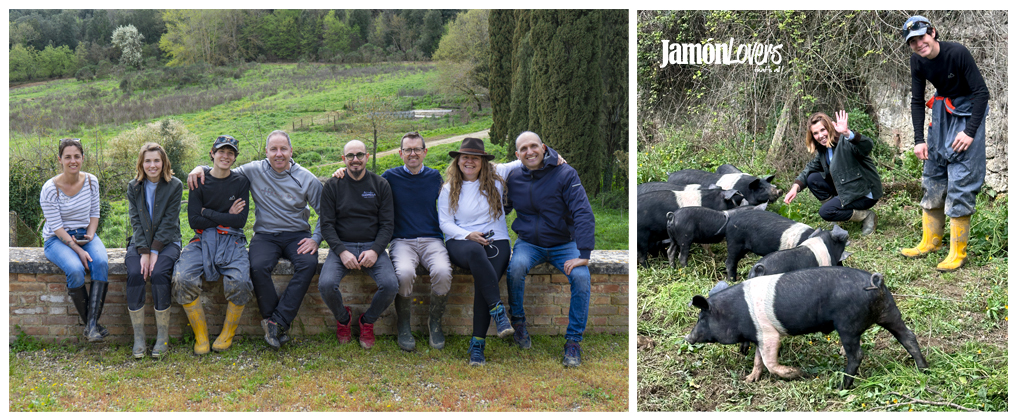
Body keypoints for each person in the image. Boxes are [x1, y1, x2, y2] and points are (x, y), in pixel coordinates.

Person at [188, 130, 323, 347]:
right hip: (265, 235)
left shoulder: (307, 178)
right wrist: (200, 168)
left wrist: (316, 238)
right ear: (266, 152)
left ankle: (277, 322)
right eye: (273, 149)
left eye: (283, 149)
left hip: (297, 234)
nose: (278, 154)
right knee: (257, 267)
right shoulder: (254, 169)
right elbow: (222, 168)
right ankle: (275, 324)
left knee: (308, 263)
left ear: (291, 151)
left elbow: (326, 212)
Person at [899, 15, 989, 272]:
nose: (918, 44)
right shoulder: (916, 60)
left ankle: (957, 253)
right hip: (942, 109)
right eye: (912, 41)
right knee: (933, 171)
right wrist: (918, 140)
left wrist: (970, 132)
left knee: (961, 177)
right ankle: (931, 242)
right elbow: (917, 100)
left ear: (933, 32)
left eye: (921, 37)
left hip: (969, 110)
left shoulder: (957, 52)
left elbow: (982, 93)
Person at [504, 131, 596, 367]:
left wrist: (584, 254)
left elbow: (582, 212)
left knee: (581, 277)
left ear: (544, 148)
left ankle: (573, 342)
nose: (529, 152)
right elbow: (500, 208)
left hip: (564, 244)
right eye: (523, 149)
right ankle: (519, 323)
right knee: (515, 269)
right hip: (528, 244)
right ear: (517, 155)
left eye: (534, 146)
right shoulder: (513, 178)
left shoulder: (565, 173)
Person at [438, 138, 516, 366]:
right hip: (460, 241)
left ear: (483, 161)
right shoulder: (448, 188)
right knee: (474, 251)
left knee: (486, 283)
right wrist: (467, 234)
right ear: (458, 161)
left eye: (475, 157)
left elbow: (524, 159)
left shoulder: (496, 178)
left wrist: (554, 156)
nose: (470, 161)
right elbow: (445, 223)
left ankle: (477, 345)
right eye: (465, 157)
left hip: (496, 239)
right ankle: (499, 311)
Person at [172, 135, 251, 355]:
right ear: (212, 153)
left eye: (231, 153)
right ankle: (201, 335)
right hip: (201, 239)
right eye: (221, 151)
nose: (225, 156)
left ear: (235, 158)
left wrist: (207, 212)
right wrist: (225, 214)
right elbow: (194, 221)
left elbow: (240, 221)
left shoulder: (241, 182)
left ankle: (227, 334)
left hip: (232, 239)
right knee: (182, 278)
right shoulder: (199, 180)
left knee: (241, 281)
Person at [318, 140, 396, 350]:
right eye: (350, 155)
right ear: (343, 159)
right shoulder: (333, 185)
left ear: (367, 157)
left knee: (390, 285)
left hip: (373, 246)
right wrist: (342, 252)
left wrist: (375, 250)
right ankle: (343, 319)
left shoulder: (380, 185)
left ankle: (367, 321)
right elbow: (326, 225)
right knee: (325, 285)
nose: (355, 159)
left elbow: (388, 224)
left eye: (359, 155)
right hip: (342, 246)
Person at [379, 132, 453, 351]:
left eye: (417, 149)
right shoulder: (389, 177)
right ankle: (403, 325)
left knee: (442, 272)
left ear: (425, 152)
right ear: (400, 153)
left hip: (432, 240)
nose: (413, 154)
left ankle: (435, 323)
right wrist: (342, 171)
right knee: (403, 274)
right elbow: (365, 185)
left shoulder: (435, 177)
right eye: (408, 150)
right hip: (402, 241)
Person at [40, 138, 109, 342]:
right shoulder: (50, 189)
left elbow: (95, 213)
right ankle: (92, 325)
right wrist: (79, 251)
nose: (73, 161)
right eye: (68, 157)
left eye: (76, 156)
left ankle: (91, 327)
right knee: (76, 269)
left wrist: (89, 235)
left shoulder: (91, 181)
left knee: (102, 263)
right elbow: (56, 226)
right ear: (60, 160)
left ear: (82, 158)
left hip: (85, 234)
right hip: (57, 239)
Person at [125, 143, 182, 359]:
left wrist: (155, 251)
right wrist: (143, 251)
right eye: (147, 161)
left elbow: (169, 223)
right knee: (135, 273)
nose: (152, 165)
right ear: (141, 163)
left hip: (168, 243)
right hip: (140, 243)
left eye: (156, 160)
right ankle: (139, 338)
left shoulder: (174, 185)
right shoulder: (134, 187)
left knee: (158, 273)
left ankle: (162, 337)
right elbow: (135, 221)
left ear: (164, 162)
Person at [782, 111, 882, 235]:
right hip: (848, 190)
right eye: (815, 133)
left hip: (864, 192)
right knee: (813, 178)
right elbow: (809, 169)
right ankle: (839, 214)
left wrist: (847, 133)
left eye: (822, 130)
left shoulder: (846, 141)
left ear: (829, 127)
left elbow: (867, 146)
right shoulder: (824, 150)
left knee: (826, 212)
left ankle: (866, 216)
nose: (820, 135)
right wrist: (795, 188)